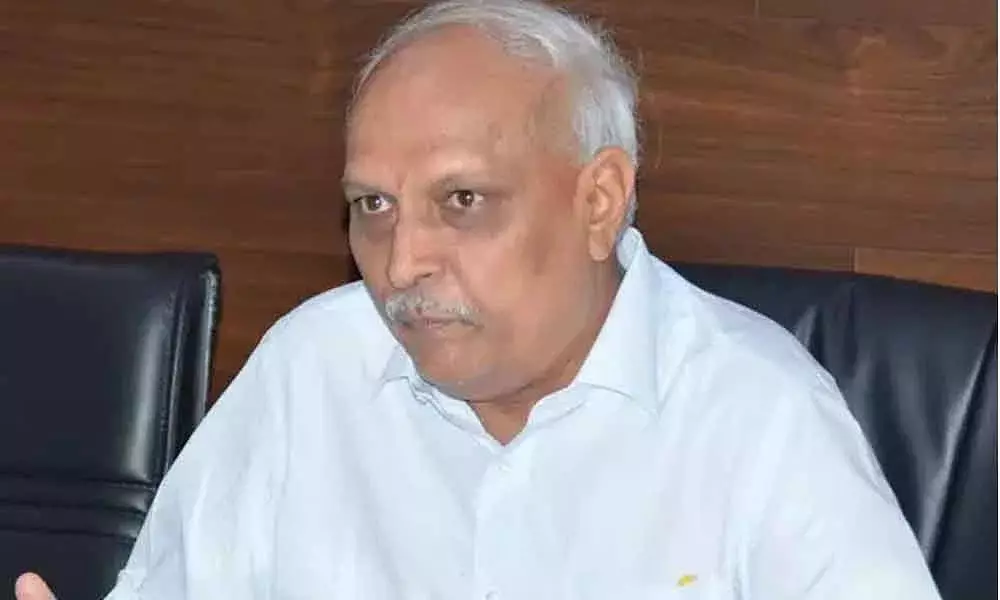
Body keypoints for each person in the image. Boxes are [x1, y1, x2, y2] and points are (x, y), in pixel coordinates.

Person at [17, 0, 942, 598]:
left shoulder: (761, 418)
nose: (402, 262)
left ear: (598, 201)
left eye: (462, 201)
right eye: (373, 206)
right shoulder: (313, 369)